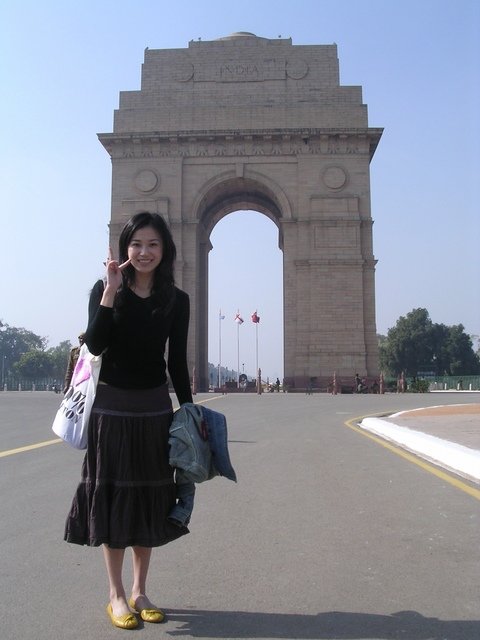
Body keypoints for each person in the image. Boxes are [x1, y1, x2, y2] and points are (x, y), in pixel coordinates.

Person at [64, 212, 193, 630]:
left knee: (150, 496)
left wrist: (189, 412)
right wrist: (109, 292)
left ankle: (140, 589)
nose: (144, 252)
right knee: (116, 496)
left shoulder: (177, 299)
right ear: (124, 248)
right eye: (136, 244)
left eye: (153, 244)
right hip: (112, 408)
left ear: (165, 250)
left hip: (154, 408)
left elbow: (176, 362)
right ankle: (116, 595)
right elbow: (96, 344)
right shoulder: (105, 290)